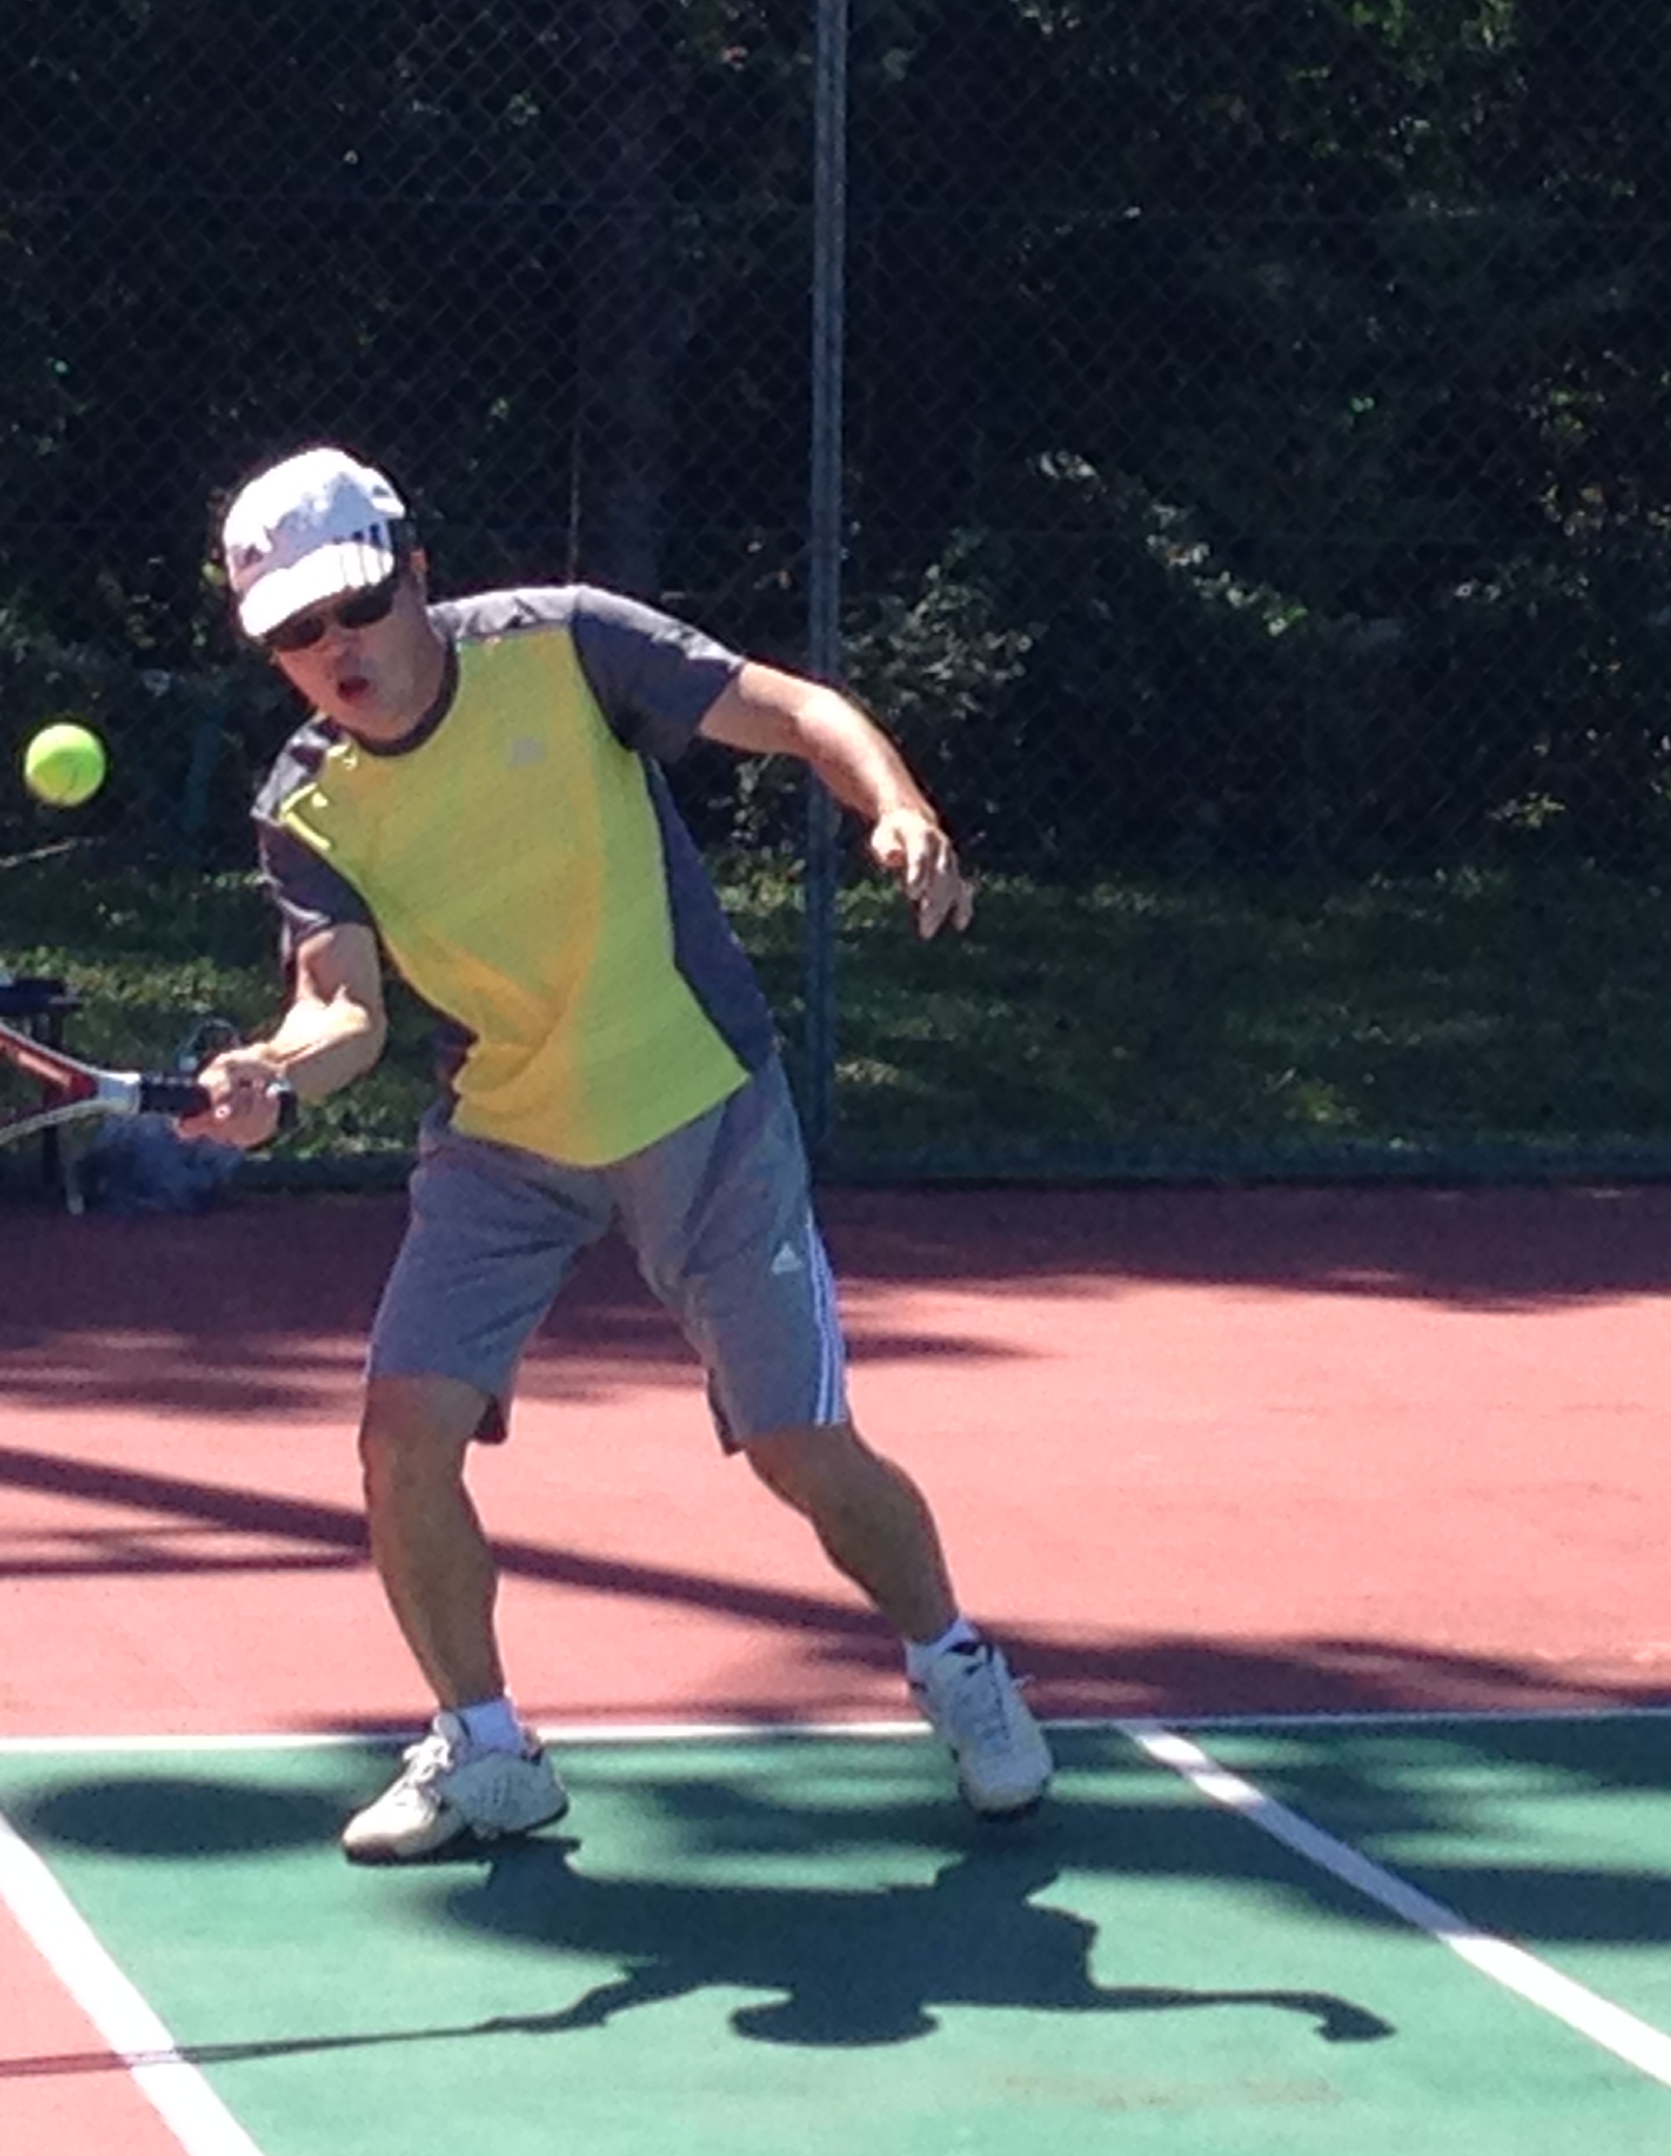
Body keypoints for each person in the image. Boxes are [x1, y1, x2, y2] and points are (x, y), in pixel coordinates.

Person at [183, 444, 1053, 1863]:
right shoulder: (304, 804)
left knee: (800, 1449)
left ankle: (955, 1662)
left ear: (416, 575)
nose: (337, 648)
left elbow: (800, 709)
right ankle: (487, 1750)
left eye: (357, 606)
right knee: (401, 1440)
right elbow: (342, 1013)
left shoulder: (566, 644)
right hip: (504, 1135)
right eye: (296, 631)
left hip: (696, 1096)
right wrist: (272, 1078)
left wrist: (894, 807)